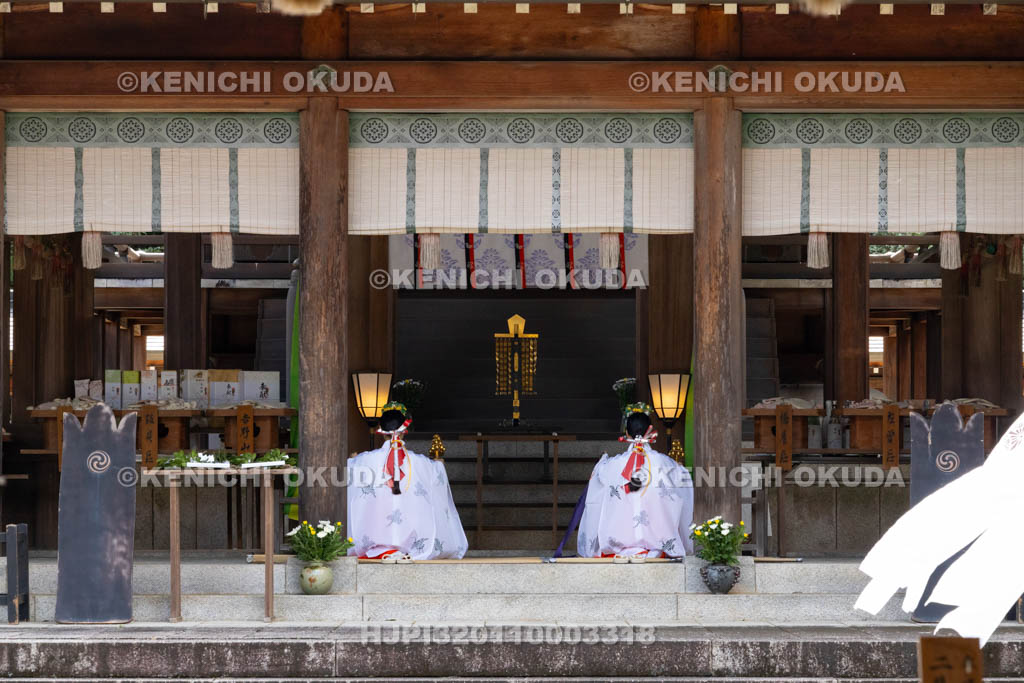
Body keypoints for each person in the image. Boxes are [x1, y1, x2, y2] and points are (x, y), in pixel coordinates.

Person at [347, 401, 468, 561]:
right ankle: (408, 544)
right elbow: (437, 477)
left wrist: (352, 460)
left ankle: (381, 545)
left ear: (382, 433)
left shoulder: (363, 461)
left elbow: (351, 473)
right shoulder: (422, 463)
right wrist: (438, 466)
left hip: (375, 529)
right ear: (404, 432)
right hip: (413, 536)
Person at [577, 403, 694, 562]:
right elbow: (683, 482)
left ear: (626, 433)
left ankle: (622, 543)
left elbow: (598, 483)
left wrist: (602, 462)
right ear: (651, 431)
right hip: (660, 549)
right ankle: (656, 543)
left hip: (615, 549)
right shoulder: (666, 464)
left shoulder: (610, 466)